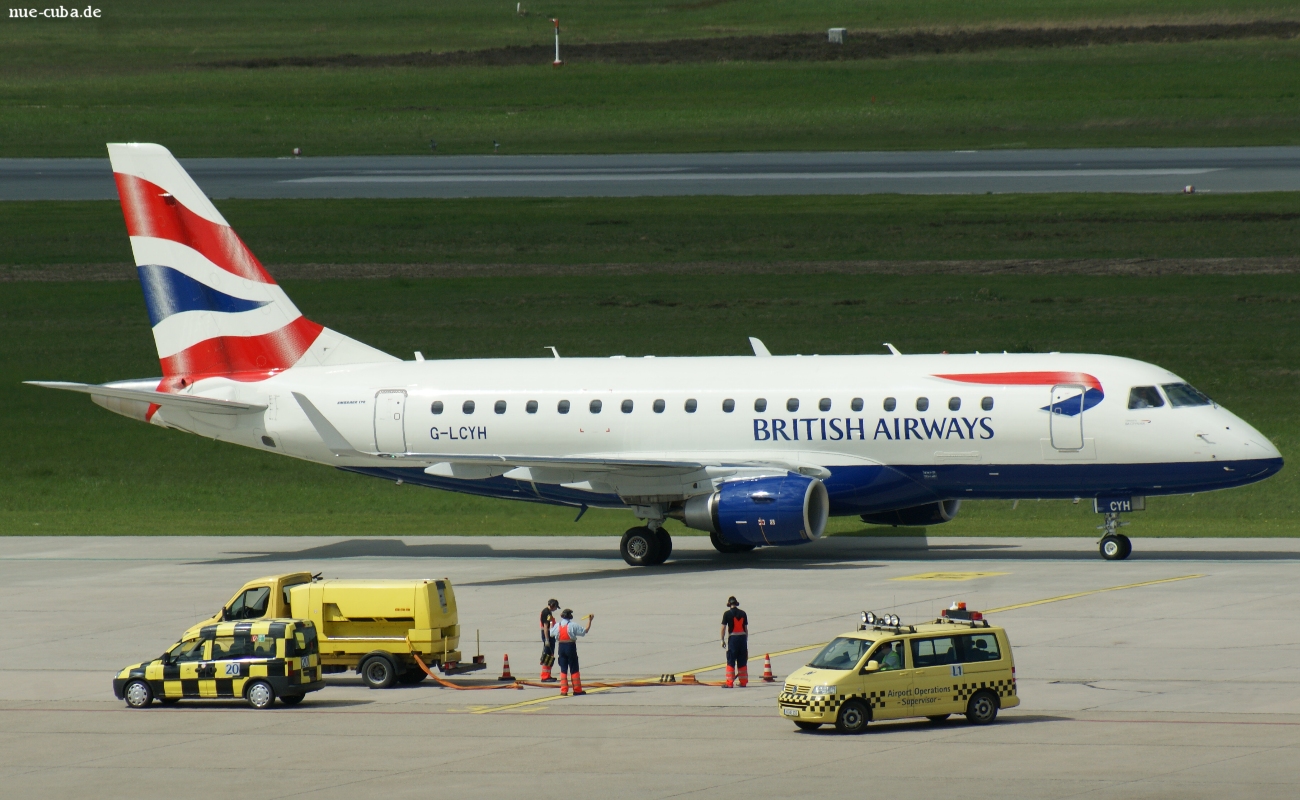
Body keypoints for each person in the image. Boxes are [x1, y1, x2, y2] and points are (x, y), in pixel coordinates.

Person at [550, 609, 593, 696]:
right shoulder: (573, 625)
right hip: (570, 646)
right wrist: (590, 620)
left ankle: (563, 690)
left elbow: (551, 633)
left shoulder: (557, 625)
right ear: (570, 616)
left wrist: (551, 623)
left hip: (561, 647)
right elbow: (585, 631)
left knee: (563, 669)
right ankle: (577, 690)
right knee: (574, 668)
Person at [720, 596, 749, 688]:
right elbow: (745, 629)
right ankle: (743, 682)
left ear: (729, 604)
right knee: (742, 660)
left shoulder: (727, 614)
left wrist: (722, 640)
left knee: (731, 660)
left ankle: (729, 683)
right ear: (736, 603)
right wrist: (745, 640)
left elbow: (723, 628)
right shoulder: (743, 613)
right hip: (743, 638)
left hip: (733, 639)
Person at [539, 599, 560, 682]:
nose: (555, 609)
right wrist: (547, 639)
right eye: (555, 607)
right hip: (548, 635)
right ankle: (545, 676)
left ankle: (547, 675)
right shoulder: (546, 613)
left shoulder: (547, 612)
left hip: (549, 635)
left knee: (550, 655)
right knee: (547, 655)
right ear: (552, 605)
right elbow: (545, 627)